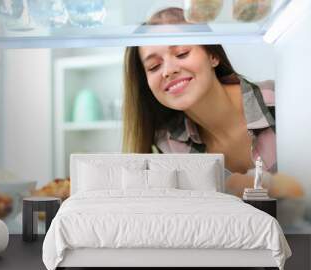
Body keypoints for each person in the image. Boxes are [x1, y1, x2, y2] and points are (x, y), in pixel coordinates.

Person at [122, 7, 303, 199]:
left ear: (213, 56)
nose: (168, 70)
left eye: (182, 53)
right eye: (154, 66)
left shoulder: (280, 100)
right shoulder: (171, 142)